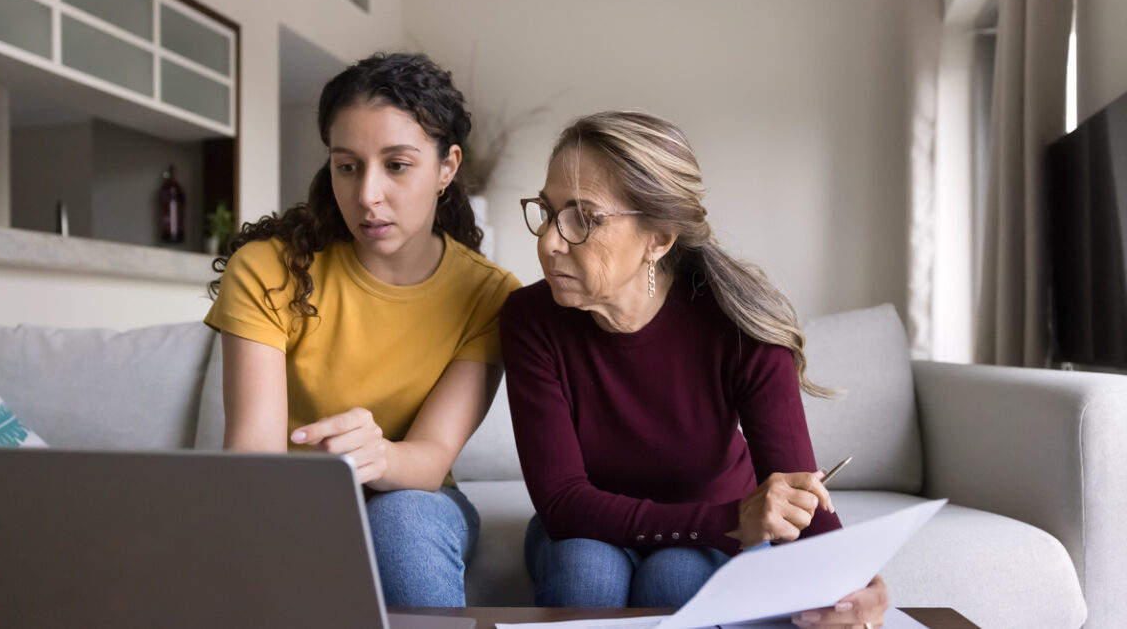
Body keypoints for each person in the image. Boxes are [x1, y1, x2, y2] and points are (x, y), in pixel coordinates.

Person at [501, 111, 888, 627]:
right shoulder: (529, 318)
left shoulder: (742, 326)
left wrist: (849, 583)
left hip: (714, 537)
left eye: (581, 218)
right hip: (592, 528)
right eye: (547, 213)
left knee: (676, 576)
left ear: (658, 238)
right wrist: (729, 520)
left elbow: (794, 490)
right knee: (584, 568)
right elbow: (564, 503)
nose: (549, 241)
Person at [204, 52, 519, 607]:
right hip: (288, 500)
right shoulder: (267, 269)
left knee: (400, 522)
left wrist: (375, 455)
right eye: (347, 166)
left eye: (397, 165)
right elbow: (253, 461)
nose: (368, 195)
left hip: (415, 499)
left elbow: (430, 457)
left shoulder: (489, 295)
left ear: (447, 168)